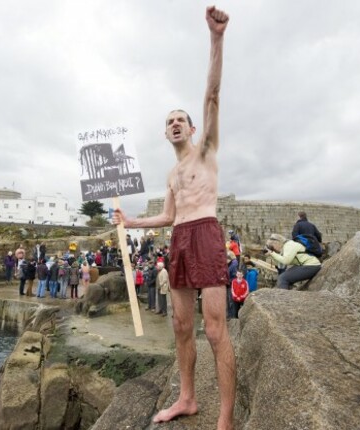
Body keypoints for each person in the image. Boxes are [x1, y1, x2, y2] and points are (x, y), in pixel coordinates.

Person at [112, 7, 234, 428]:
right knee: (182, 326)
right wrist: (129, 223)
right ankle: (186, 398)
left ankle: (225, 417)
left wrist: (215, 39)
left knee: (216, 330)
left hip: (206, 233)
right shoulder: (171, 174)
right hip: (179, 238)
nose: (176, 123)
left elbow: (213, 95)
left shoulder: (207, 152)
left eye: (181, 119)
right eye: (170, 121)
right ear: (165, 133)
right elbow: (166, 216)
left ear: (194, 129)